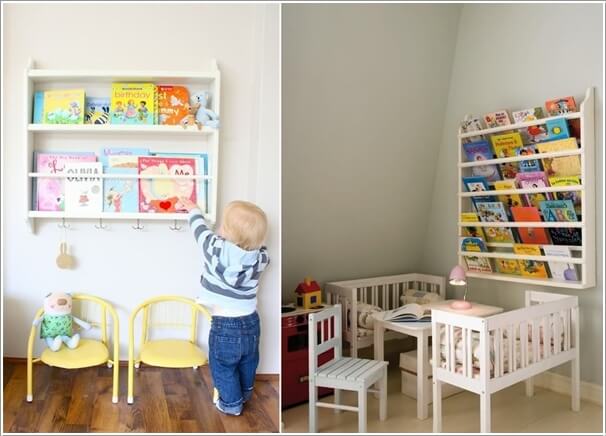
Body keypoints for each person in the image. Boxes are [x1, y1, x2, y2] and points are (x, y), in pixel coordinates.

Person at [178, 197, 270, 416]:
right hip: (251, 320)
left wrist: (193, 209)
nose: (219, 227)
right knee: (248, 361)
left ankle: (231, 404)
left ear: (228, 233)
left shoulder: (214, 248)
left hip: (225, 324)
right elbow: (255, 251)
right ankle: (245, 393)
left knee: (223, 366)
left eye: (224, 225)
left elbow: (200, 231)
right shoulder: (261, 258)